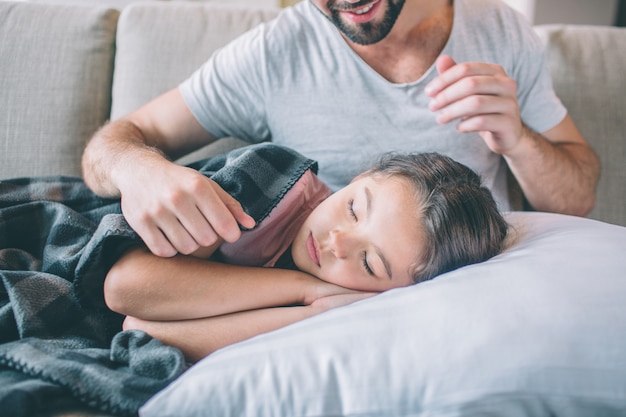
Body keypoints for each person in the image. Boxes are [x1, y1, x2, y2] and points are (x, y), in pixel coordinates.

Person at [82, 0, 599, 260]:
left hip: (469, 284)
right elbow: (119, 139)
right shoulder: (272, 56)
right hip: (333, 303)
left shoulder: (501, 32)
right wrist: (140, 170)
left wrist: (520, 141)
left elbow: (576, 199)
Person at [104, 150, 509, 362]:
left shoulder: (350, 311)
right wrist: (303, 288)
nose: (337, 242)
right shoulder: (273, 179)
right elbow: (124, 288)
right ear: (361, 176)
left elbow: (143, 329)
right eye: (354, 207)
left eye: (370, 263)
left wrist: (316, 314)